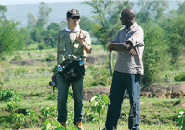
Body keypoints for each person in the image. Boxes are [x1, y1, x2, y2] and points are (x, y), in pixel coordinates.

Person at [103, 8, 144, 130]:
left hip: (132, 71)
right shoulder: (122, 31)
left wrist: (124, 46)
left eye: (122, 17)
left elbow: (126, 45)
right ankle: (109, 127)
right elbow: (111, 46)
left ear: (130, 18)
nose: (120, 19)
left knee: (134, 101)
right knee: (114, 100)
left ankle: (134, 127)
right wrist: (120, 46)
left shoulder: (138, 31)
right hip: (119, 70)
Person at [56, 9, 92, 130]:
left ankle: (79, 122)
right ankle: (62, 123)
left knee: (78, 97)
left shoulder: (84, 33)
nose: (76, 20)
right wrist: (56, 72)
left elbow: (89, 50)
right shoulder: (61, 34)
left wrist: (82, 41)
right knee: (61, 99)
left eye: (77, 18)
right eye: (73, 18)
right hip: (63, 70)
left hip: (77, 69)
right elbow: (58, 54)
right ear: (67, 19)